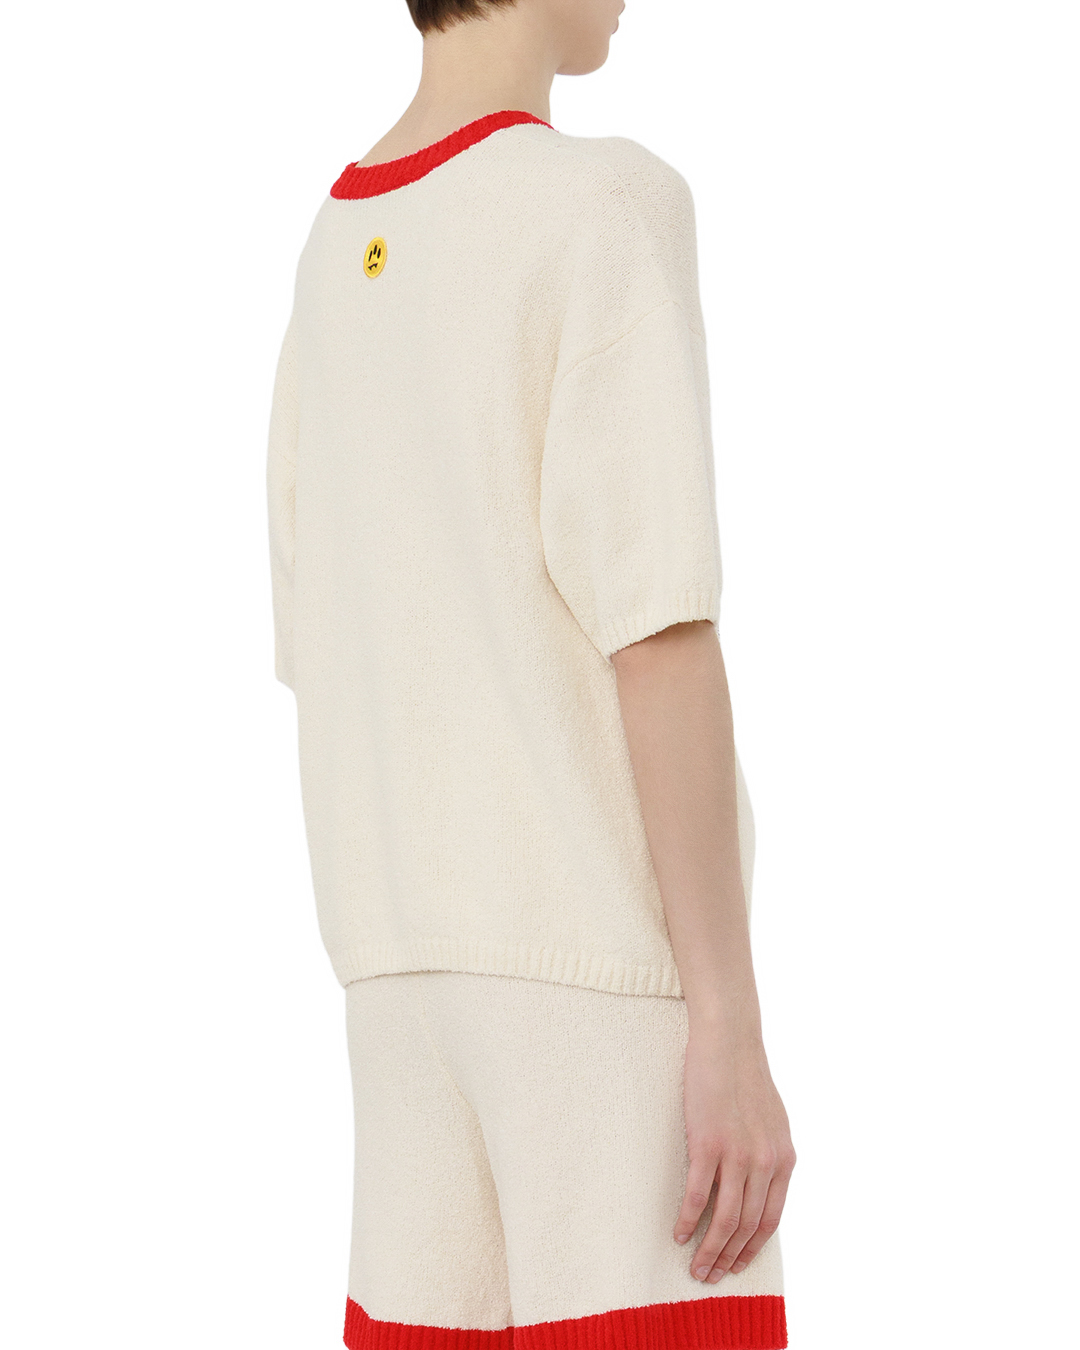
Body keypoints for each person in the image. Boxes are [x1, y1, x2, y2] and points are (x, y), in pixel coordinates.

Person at [265, 1, 796, 1347]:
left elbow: (315, 640)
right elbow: (656, 628)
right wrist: (728, 1021)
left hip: (396, 991)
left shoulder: (335, 250)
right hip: (591, 979)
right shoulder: (603, 206)